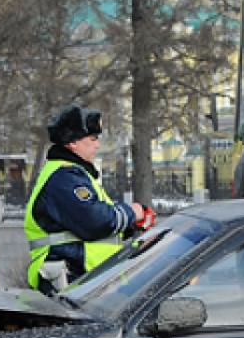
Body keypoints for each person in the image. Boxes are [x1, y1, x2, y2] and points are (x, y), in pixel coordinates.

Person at [24, 105, 154, 295]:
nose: (97, 145)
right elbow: (96, 222)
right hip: (70, 281)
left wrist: (131, 226)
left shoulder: (74, 174)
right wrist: (133, 212)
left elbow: (92, 220)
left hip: (84, 281)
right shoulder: (64, 177)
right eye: (92, 139)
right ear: (73, 142)